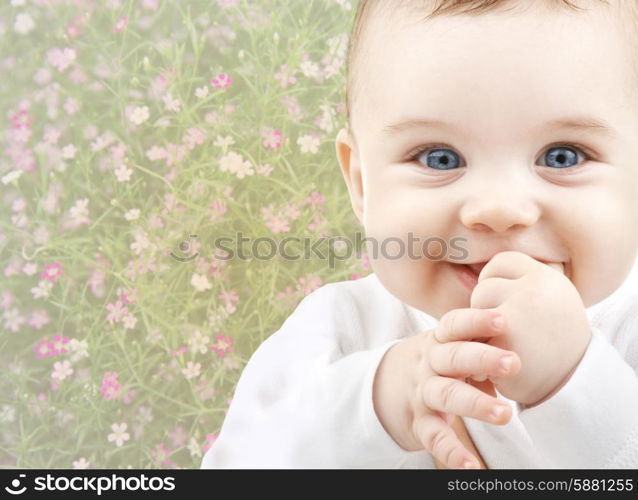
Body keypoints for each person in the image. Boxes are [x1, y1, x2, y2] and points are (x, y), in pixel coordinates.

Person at [201, 0, 638, 468]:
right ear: (363, 184)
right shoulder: (337, 333)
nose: (498, 210)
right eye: (439, 158)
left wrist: (574, 381)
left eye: (563, 156)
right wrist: (375, 407)